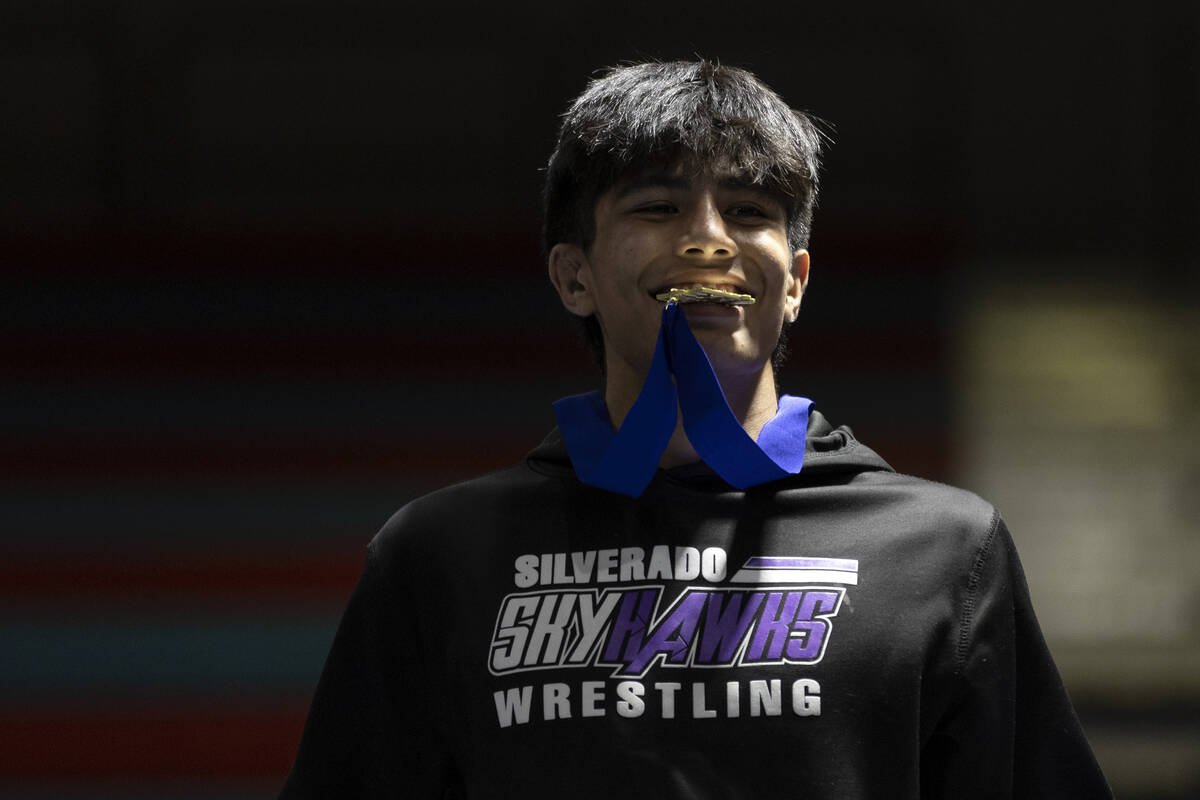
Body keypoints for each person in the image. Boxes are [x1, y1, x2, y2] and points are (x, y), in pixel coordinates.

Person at [280, 60, 1111, 799]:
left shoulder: (944, 547)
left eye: (749, 211)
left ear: (795, 282)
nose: (709, 240)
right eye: (659, 205)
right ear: (574, 277)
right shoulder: (439, 552)